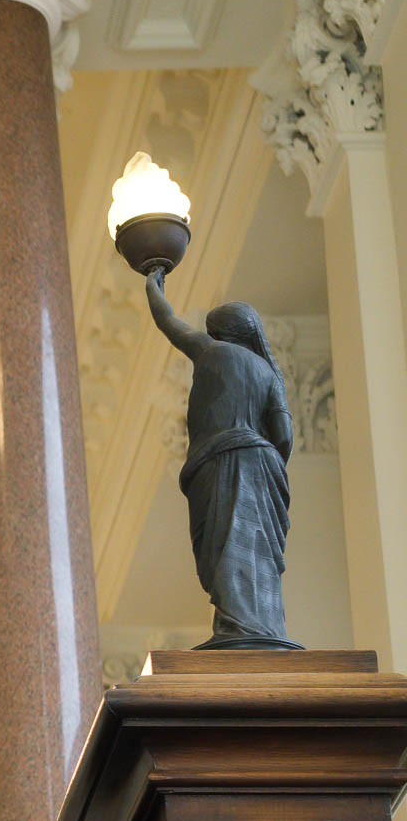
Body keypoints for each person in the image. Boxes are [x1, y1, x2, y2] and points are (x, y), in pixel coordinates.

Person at [144, 270, 301, 648]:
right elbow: (284, 437)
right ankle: (262, 630)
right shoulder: (270, 374)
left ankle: (239, 630)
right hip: (261, 463)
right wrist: (262, 461)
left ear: (221, 333)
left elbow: (168, 321)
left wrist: (152, 283)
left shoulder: (212, 351)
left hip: (221, 460)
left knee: (224, 544)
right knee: (256, 549)